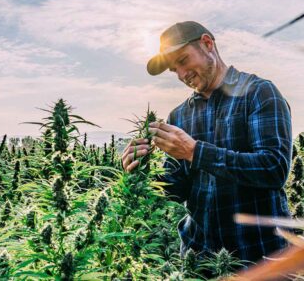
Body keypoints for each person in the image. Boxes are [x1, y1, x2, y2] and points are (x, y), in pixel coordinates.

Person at [121, 21, 292, 269]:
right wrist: (140, 173)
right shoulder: (179, 116)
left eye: (183, 60)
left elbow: (273, 169)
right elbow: (176, 189)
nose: (181, 74)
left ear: (207, 44)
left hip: (258, 257)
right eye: (173, 69)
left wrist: (195, 152)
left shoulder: (259, 93)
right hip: (199, 259)